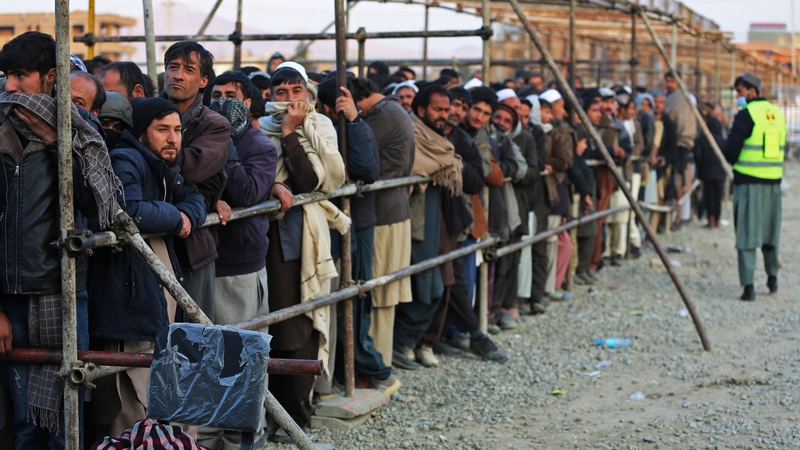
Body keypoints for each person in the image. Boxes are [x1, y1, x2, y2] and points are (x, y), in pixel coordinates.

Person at [87, 97, 207, 440]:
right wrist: (176, 217)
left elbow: (195, 199)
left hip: (149, 279)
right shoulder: (127, 159)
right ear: (141, 133)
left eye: (178, 130)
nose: (173, 138)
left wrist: (185, 216)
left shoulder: (162, 165)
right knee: (131, 386)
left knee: (158, 370)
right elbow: (130, 211)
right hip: (128, 286)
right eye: (162, 130)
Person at [259, 62, 346, 433]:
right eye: (282, 93)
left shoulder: (320, 126)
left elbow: (312, 180)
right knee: (276, 323)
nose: (291, 100)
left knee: (300, 323)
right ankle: (273, 413)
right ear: (270, 97)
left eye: (297, 92)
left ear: (308, 94)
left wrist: (292, 133)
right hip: (270, 235)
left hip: (302, 235)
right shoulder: (262, 128)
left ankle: (298, 415)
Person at [198, 71, 277, 449]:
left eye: (231, 96)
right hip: (199, 261)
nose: (222, 103)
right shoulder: (195, 131)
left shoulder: (259, 144)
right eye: (216, 95)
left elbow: (247, 192)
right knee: (206, 358)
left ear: (248, 102)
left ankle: (243, 439)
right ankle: (208, 438)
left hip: (238, 263)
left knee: (239, 358)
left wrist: (225, 140)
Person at [315, 78, 401, 394]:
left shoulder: (356, 127)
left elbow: (366, 168)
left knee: (355, 295)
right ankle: (352, 371)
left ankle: (372, 369)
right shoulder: (326, 127)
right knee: (343, 297)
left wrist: (353, 120)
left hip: (356, 221)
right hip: (337, 222)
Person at [393, 84, 463, 368]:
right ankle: (397, 344)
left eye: (446, 110)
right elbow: (412, 165)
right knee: (421, 286)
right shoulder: (412, 132)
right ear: (421, 110)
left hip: (433, 223)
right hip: (414, 221)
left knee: (434, 288)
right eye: (438, 109)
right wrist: (428, 170)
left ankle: (405, 342)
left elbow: (445, 161)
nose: (443, 115)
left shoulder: (439, 139)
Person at [161, 41, 231, 323]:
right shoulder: (142, 113)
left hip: (192, 245)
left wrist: (153, 148)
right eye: (172, 67)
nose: (177, 75)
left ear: (203, 81)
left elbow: (193, 169)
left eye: (188, 69)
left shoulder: (214, 124)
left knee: (195, 334)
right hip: (150, 237)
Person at [351, 77, 416, 370]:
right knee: (382, 292)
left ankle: (375, 364)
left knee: (377, 293)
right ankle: (380, 361)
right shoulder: (394, 110)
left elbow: (358, 153)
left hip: (383, 212)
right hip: (394, 209)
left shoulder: (382, 115)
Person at [723, 73, 784, 302]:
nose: (738, 96)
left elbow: (731, 153)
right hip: (774, 184)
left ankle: (748, 287)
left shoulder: (746, 115)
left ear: (751, 90)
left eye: (740, 91)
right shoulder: (776, 113)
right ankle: (772, 279)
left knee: (747, 236)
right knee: (770, 234)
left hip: (749, 183)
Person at [663, 71, 697, 230]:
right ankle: (674, 218)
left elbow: (676, 122)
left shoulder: (680, 99)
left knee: (679, 183)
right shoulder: (673, 98)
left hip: (679, 144)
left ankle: (676, 219)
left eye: (672, 81)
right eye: (667, 81)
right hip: (677, 144)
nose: (669, 84)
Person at [694, 102, 726, 229]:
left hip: (707, 173)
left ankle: (710, 220)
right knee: (718, 197)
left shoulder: (703, 139)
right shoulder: (723, 140)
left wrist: (700, 168)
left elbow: (698, 156)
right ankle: (717, 220)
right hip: (720, 173)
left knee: (709, 196)